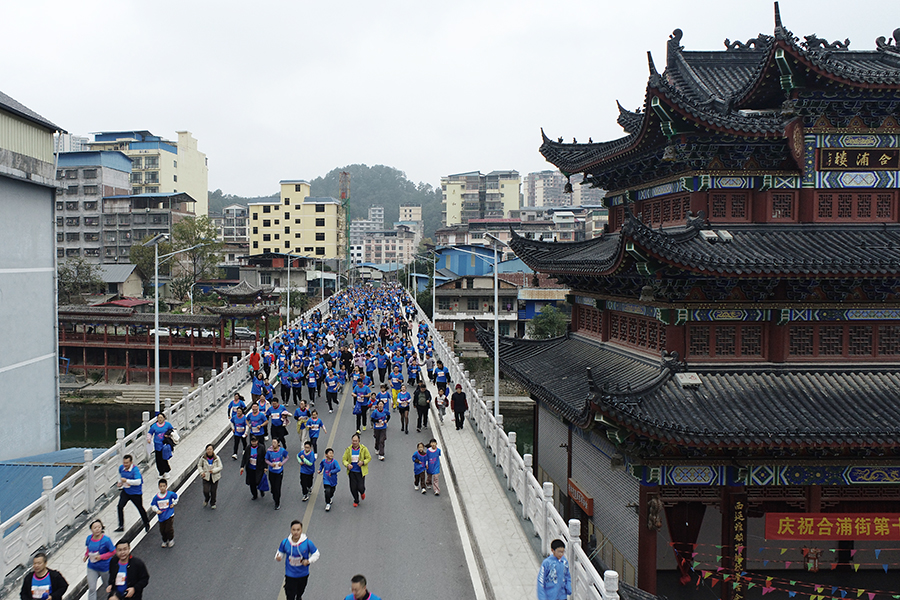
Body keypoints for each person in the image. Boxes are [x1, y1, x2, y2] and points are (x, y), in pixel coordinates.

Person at [275, 520, 320, 600]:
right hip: (290, 574)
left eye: (298, 530)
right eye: (294, 530)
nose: (296, 532)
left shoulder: (307, 543)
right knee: (290, 595)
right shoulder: (285, 542)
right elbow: (280, 552)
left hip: (303, 574)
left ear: (301, 530)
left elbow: (316, 554)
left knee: (300, 591)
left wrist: (308, 561)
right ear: (291, 530)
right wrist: (278, 557)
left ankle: (299, 597)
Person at [115, 455, 150, 533]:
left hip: (135, 493)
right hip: (126, 491)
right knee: (120, 506)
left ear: (131, 462)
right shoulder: (121, 468)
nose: (125, 464)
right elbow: (119, 475)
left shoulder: (135, 470)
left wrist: (127, 481)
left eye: (127, 463)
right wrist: (120, 482)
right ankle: (121, 526)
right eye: (124, 463)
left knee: (140, 508)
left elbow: (138, 482)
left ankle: (146, 523)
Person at [84, 520, 115, 600]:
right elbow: (88, 548)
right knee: (91, 588)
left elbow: (113, 551)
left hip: (104, 568)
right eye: (95, 528)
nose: (97, 529)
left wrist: (101, 557)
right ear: (91, 529)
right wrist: (86, 555)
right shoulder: (89, 538)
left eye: (99, 527)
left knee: (108, 587)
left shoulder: (106, 540)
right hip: (92, 567)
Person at [341, 433, 371, 507]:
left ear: (359, 441)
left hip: (360, 472)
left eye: (356, 441)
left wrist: (363, 462)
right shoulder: (348, 450)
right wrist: (347, 465)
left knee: (360, 487)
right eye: (353, 441)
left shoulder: (363, 449)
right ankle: (356, 500)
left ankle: (362, 492)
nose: (354, 442)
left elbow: (368, 458)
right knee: (353, 488)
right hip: (352, 472)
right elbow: (344, 459)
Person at [149, 479, 178, 547]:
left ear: (166, 486)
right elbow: (153, 505)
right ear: (159, 487)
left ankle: (170, 540)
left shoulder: (170, 494)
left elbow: (176, 497)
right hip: (161, 517)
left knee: (168, 529)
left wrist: (174, 503)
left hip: (169, 514)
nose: (162, 488)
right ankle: (164, 540)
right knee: (162, 530)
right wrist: (157, 510)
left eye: (163, 486)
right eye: (161, 486)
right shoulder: (156, 497)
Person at [147, 412, 175, 477]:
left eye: (161, 418)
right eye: (158, 418)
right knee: (158, 459)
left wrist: (168, 435)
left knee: (164, 458)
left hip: (165, 444)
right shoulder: (154, 426)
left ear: (164, 418)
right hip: (157, 444)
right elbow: (150, 433)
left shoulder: (167, 425)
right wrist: (149, 439)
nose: (160, 419)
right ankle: (161, 472)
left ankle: (167, 470)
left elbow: (172, 431)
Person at [240, 436, 267, 500]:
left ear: (257, 441)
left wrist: (265, 467)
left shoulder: (261, 448)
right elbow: (244, 457)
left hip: (259, 468)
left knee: (259, 481)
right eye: (252, 441)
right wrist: (242, 466)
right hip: (250, 468)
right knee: (252, 483)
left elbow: (265, 457)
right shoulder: (248, 448)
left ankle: (261, 490)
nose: (254, 443)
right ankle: (254, 495)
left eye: (255, 441)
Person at [197, 444, 223, 509]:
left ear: (213, 450)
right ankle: (207, 498)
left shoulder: (217, 458)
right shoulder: (203, 458)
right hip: (206, 477)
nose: (209, 451)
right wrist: (201, 472)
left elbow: (220, 467)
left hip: (215, 477)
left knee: (213, 491)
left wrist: (213, 471)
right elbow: (199, 466)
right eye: (208, 449)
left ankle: (213, 503)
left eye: (210, 449)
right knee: (205, 491)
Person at [266, 438, 289, 510]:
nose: (273, 444)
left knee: (277, 487)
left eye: (275, 443)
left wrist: (282, 463)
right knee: (273, 487)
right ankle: (274, 494)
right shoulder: (269, 451)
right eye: (272, 442)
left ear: (278, 443)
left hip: (279, 472)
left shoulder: (282, 450)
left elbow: (287, 457)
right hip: (272, 472)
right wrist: (270, 464)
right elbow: (266, 460)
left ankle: (277, 502)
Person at [317, 447, 340, 511]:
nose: (331, 454)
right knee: (327, 491)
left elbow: (338, 468)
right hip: (326, 479)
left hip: (333, 479)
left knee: (332, 491)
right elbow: (321, 465)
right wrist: (320, 470)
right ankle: (328, 503)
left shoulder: (334, 462)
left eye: (332, 453)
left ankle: (330, 497)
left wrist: (332, 472)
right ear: (326, 455)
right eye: (330, 453)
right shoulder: (324, 461)